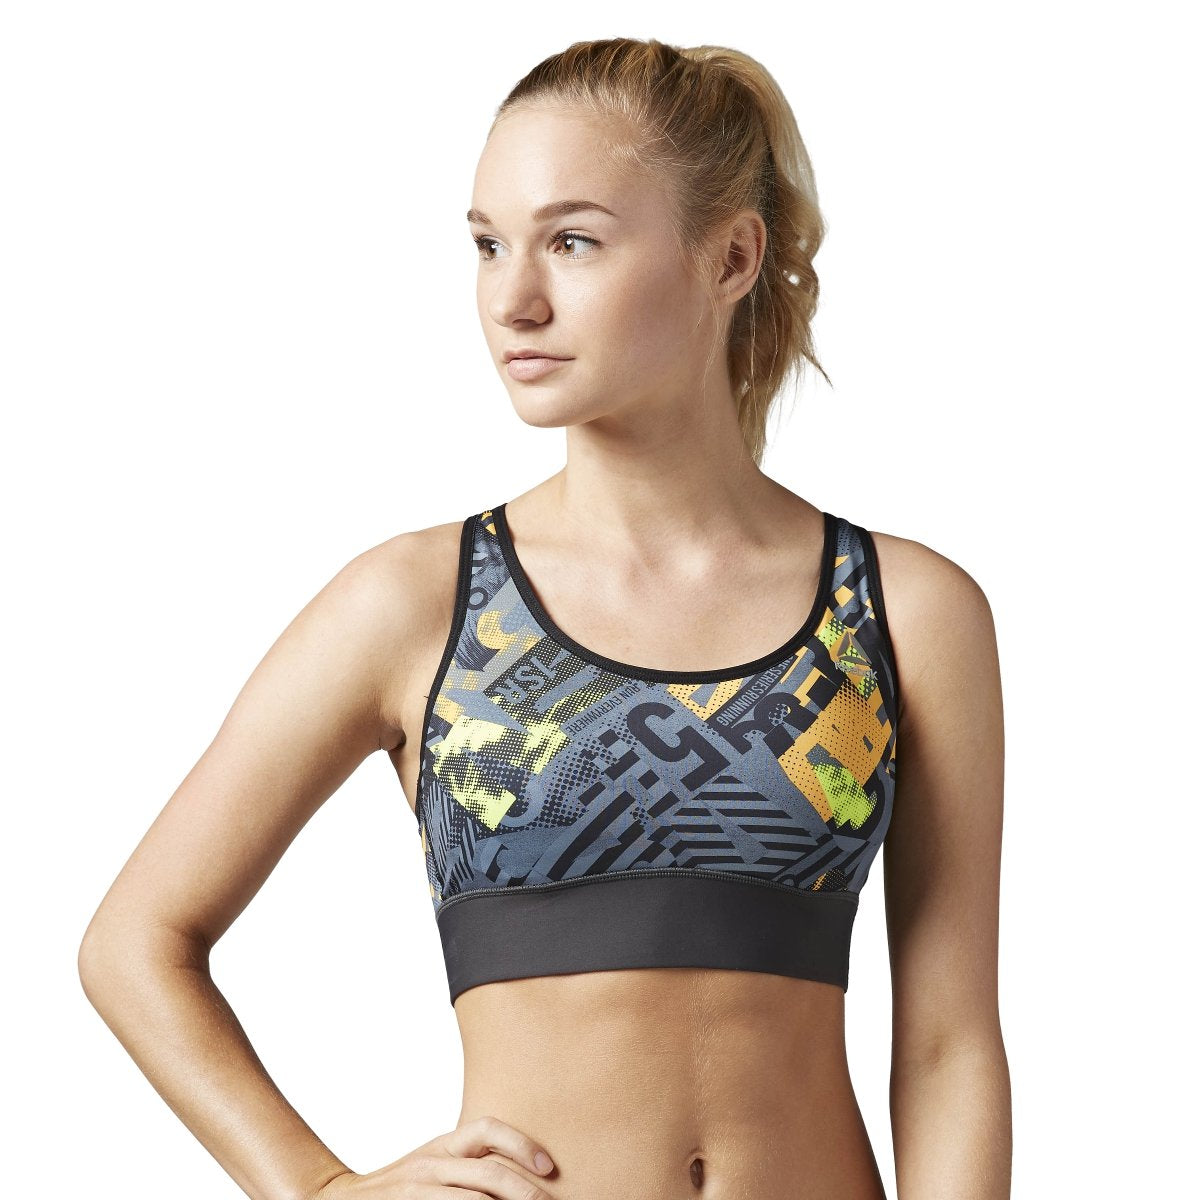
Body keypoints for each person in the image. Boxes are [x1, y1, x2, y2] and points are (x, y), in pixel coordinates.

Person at [79, 36, 1011, 1200]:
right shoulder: (417, 604)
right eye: (488, 245)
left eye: (573, 242)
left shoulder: (905, 612)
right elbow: (135, 943)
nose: (513, 300)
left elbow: (948, 1045)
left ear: (731, 257)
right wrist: (317, 1189)